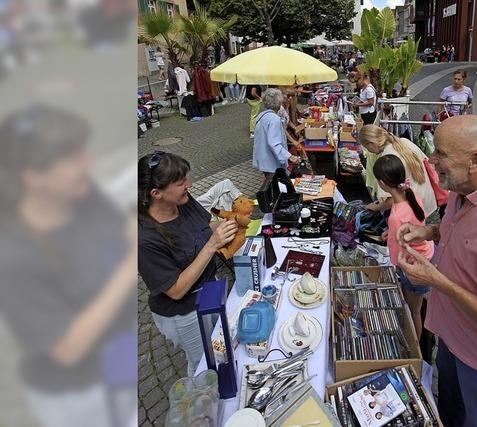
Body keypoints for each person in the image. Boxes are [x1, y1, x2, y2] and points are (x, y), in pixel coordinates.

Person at [0, 106, 137, 427]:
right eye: (73, 158)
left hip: (120, 360)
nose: (88, 163)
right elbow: (66, 349)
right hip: (82, 397)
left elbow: (118, 229)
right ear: (33, 177)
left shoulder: (85, 199)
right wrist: (130, 264)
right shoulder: (14, 257)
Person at [396, 115, 477, 427]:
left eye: (441, 153)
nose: (431, 160)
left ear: (475, 160)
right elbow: (459, 232)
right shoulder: (462, 187)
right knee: (449, 415)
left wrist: (437, 281)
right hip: (451, 340)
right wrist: (429, 232)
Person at [138, 152, 238, 377]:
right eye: (181, 182)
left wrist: (229, 226)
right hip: (184, 312)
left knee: (220, 346)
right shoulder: (144, 239)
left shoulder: (183, 201)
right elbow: (176, 290)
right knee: (203, 364)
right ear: (156, 194)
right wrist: (212, 245)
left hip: (209, 290)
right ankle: (204, 404)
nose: (189, 185)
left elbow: (206, 225)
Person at [373, 154, 434, 340]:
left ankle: (417, 345)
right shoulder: (412, 194)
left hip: (414, 263)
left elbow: (397, 250)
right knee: (418, 303)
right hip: (427, 252)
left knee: (413, 311)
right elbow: (412, 222)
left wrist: (391, 239)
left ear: (382, 183)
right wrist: (390, 232)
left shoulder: (396, 216)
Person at [359, 124, 438, 217]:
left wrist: (376, 207)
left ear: (371, 143)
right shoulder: (404, 141)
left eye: (366, 147)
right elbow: (428, 163)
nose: (368, 150)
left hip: (412, 207)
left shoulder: (387, 159)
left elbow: (393, 198)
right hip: (425, 198)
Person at [252, 88, 301, 181]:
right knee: (276, 185)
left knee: (271, 183)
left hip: (263, 159)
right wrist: (289, 156)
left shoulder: (262, 116)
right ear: (278, 103)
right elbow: (274, 143)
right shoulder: (274, 119)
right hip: (271, 162)